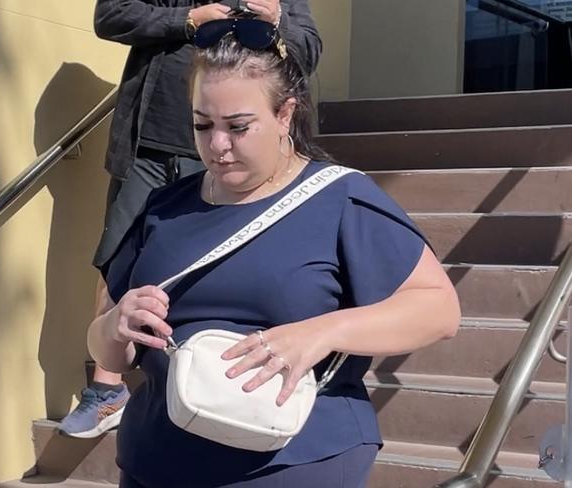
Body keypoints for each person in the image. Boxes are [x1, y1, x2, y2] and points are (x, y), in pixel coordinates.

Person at [87, 21, 461, 488]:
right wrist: (115, 323)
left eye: (238, 127)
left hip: (291, 461)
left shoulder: (339, 197)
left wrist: (323, 332)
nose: (218, 146)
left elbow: (439, 310)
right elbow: (112, 354)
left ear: (285, 114)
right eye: (202, 125)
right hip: (158, 459)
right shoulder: (165, 206)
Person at [58, 0, 322, 438]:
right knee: (118, 253)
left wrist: (277, 19)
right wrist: (187, 21)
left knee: (226, 265)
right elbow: (111, 16)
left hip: (240, 155)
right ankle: (107, 390)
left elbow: (307, 52)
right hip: (150, 142)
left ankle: (211, 387)